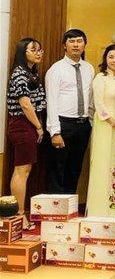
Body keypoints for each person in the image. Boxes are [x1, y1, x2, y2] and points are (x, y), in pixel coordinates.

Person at [45, 28, 94, 194]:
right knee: (57, 168)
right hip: (63, 124)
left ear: (84, 45)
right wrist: (55, 131)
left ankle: (69, 203)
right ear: (64, 46)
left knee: (75, 167)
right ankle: (56, 205)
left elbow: (90, 98)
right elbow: (51, 101)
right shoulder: (56, 69)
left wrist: (90, 122)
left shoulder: (89, 68)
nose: (76, 45)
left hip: (83, 125)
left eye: (79, 41)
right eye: (71, 41)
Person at [6, 38, 46, 230]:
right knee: (21, 170)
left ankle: (19, 214)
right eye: (34, 50)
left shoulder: (31, 72)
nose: (38, 53)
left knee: (26, 169)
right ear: (24, 53)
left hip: (29, 123)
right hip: (22, 124)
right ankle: (19, 215)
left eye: (40, 50)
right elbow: (25, 104)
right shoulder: (19, 74)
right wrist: (38, 126)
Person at [86, 45, 115, 217]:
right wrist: (114, 123)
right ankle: (99, 208)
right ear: (105, 59)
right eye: (110, 57)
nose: (114, 60)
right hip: (105, 124)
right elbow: (99, 105)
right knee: (103, 163)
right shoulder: (101, 78)